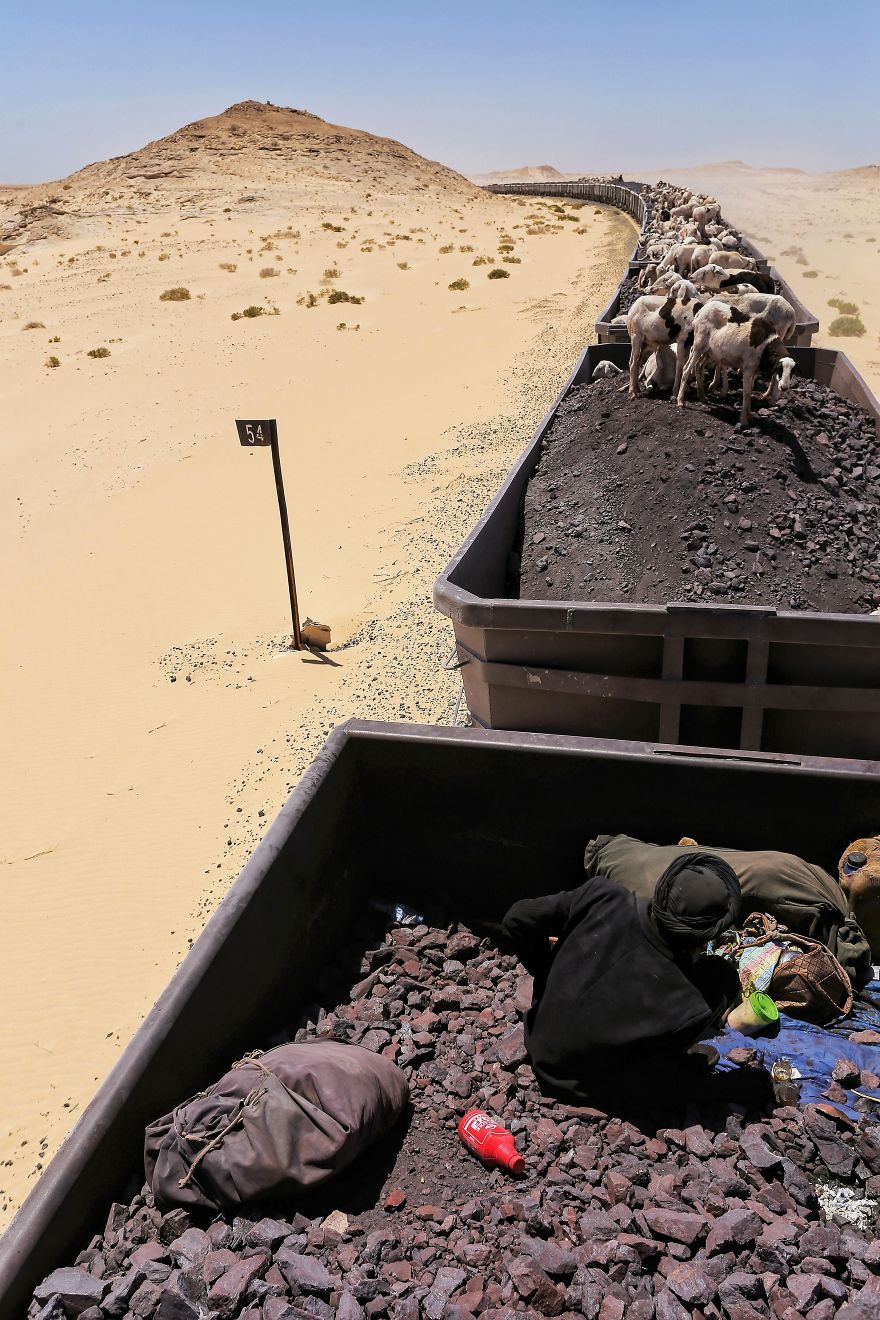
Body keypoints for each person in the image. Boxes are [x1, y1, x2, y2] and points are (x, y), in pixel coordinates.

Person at [501, 854, 743, 1105]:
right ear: (707, 934)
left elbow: (516, 919)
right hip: (578, 1083)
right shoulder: (692, 1001)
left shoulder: (602, 895)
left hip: (537, 1034)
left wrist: (548, 973)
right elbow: (651, 1072)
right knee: (720, 977)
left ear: (663, 887)